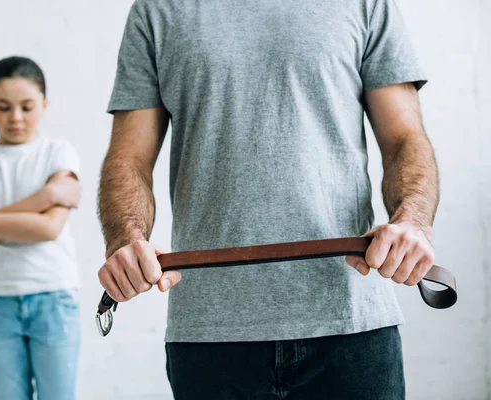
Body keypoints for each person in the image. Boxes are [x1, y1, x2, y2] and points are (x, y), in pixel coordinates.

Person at [98, 1, 438, 399]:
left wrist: (412, 221)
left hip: (350, 321)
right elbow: (129, 158)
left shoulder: (366, 4)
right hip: (210, 333)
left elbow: (404, 140)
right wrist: (125, 239)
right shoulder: (158, 11)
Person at [0, 56, 81, 400]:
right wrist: (47, 195)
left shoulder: (59, 152)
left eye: (26, 107)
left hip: (54, 296)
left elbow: (49, 228)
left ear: (44, 104)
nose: (16, 118)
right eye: (4, 107)